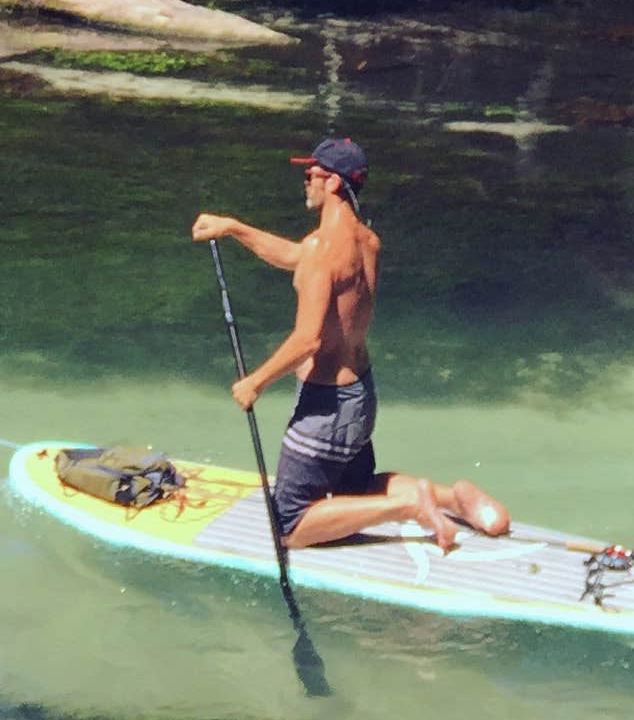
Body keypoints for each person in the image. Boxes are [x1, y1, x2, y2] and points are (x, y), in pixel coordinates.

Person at [190, 135, 509, 555]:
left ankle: (411, 505)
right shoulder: (365, 242)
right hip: (359, 396)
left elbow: (308, 339)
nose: (306, 182)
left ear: (334, 183)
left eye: (311, 175)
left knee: (289, 525)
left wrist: (257, 382)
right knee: (355, 486)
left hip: (325, 407)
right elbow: (296, 257)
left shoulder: (323, 250)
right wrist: (234, 228)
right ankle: (455, 499)